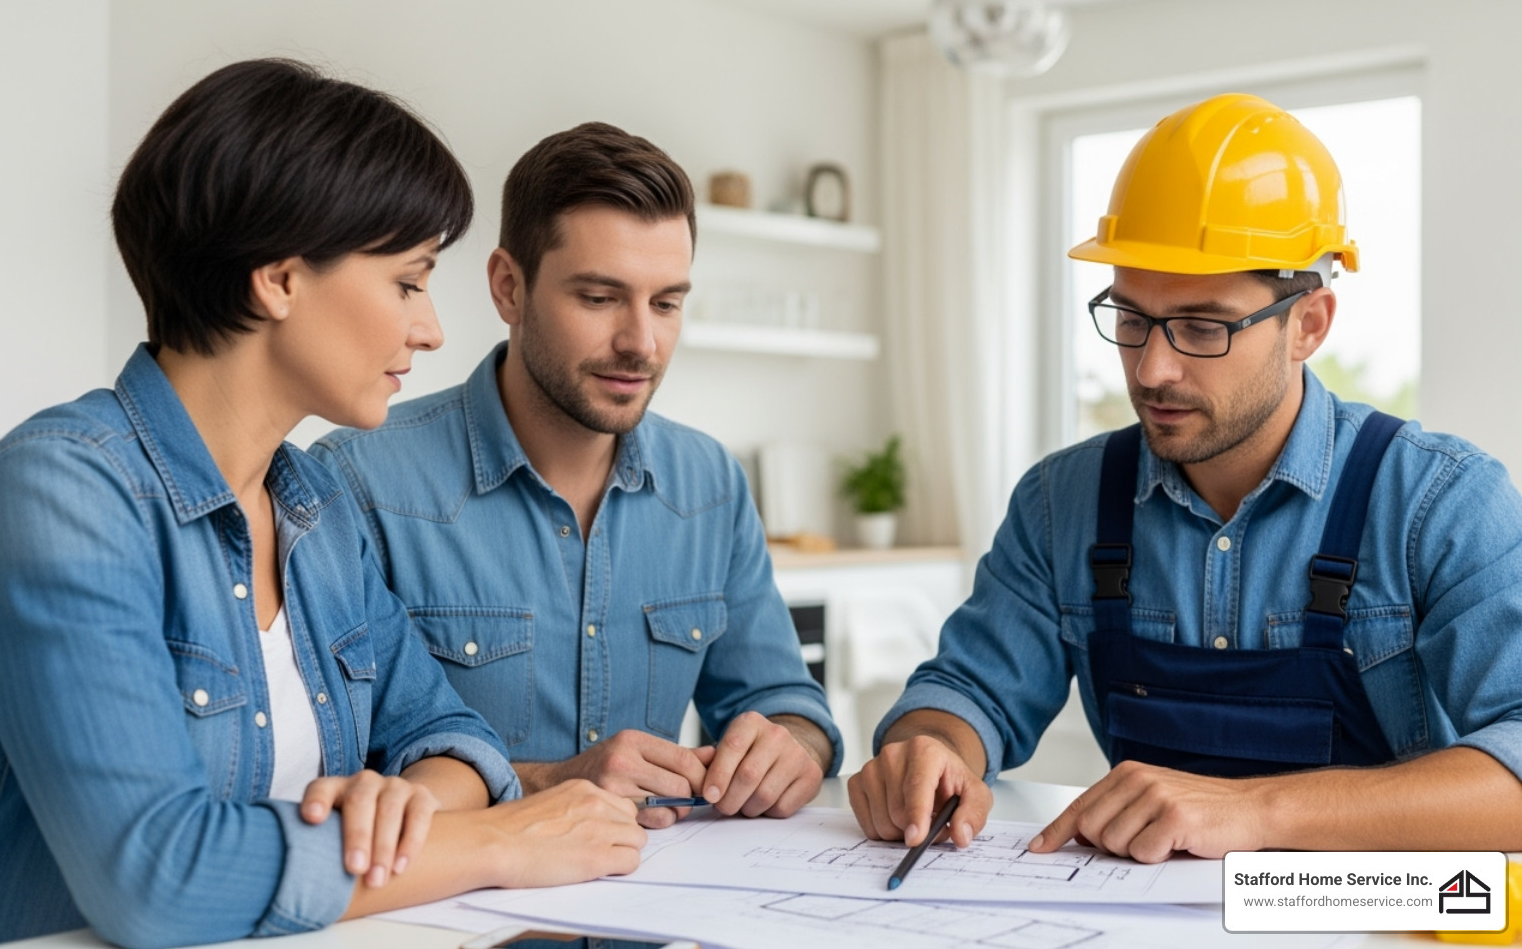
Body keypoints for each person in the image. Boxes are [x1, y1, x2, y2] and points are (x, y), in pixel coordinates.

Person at [0, 60, 644, 948]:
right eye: (409, 281)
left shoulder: (318, 503)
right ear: (281, 280)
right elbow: (157, 875)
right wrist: (494, 841)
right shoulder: (61, 491)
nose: (432, 327)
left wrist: (405, 807)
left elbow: (452, 734)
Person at [848, 93, 1522, 862]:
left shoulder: (1442, 502)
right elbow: (968, 691)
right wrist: (930, 747)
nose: (1152, 368)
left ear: (1308, 324)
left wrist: (1256, 812)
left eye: (1203, 327)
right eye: (1131, 319)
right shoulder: (1060, 503)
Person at [311, 122, 841, 829]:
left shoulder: (710, 483)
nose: (641, 342)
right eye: (599, 298)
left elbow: (785, 701)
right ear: (509, 288)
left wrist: (791, 746)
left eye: (666, 303)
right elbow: (328, 774)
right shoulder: (359, 482)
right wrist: (547, 782)